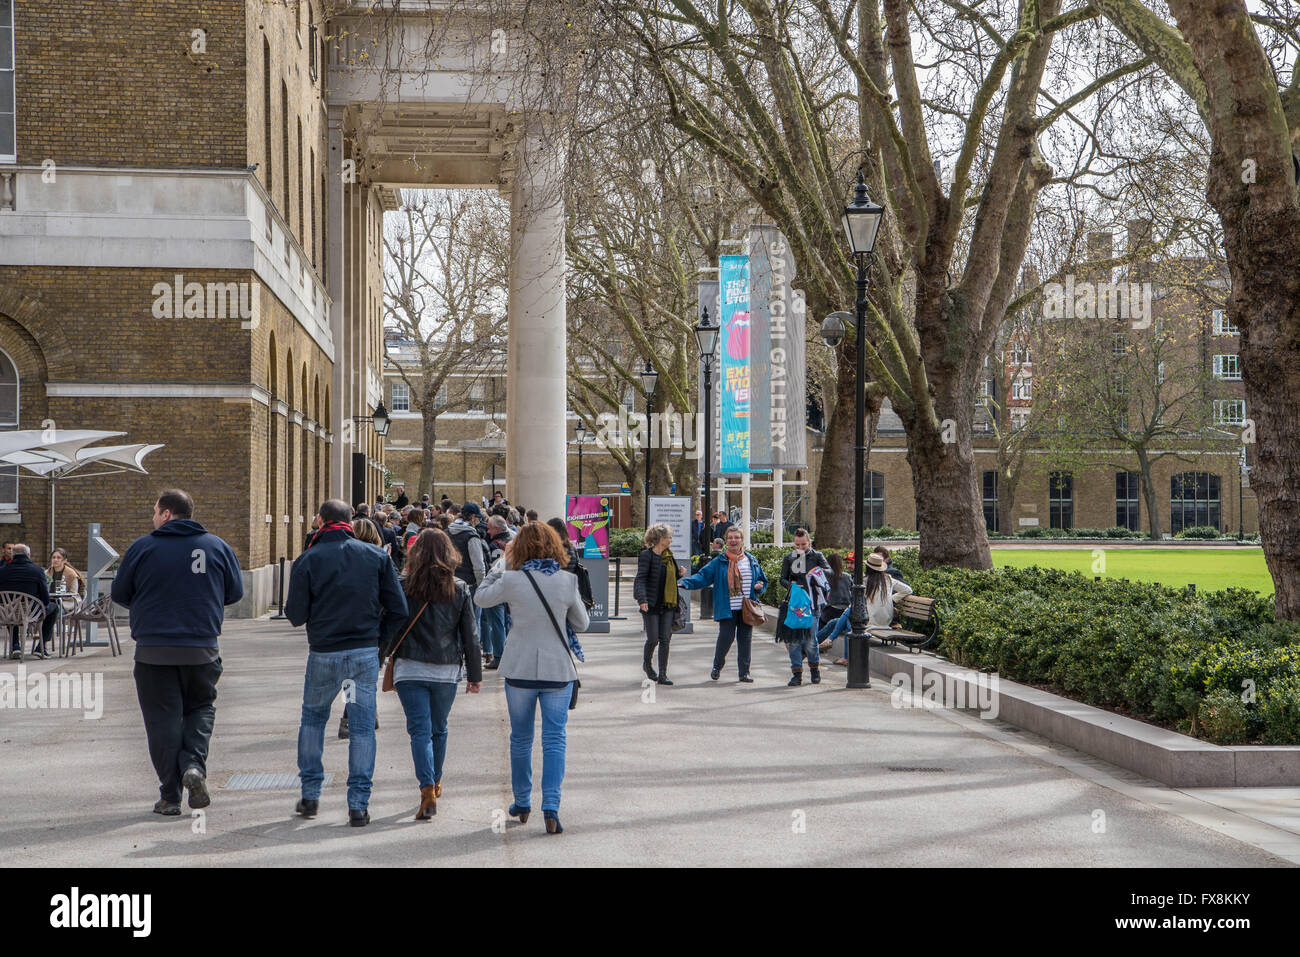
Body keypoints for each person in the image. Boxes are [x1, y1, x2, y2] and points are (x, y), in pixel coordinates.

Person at [110, 490, 244, 815]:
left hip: (153, 651)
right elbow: (235, 593)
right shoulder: (217, 546)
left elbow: (120, 593)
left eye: (155, 512)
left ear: (167, 514)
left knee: (162, 721)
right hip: (202, 649)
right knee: (201, 707)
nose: (153, 518)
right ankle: (193, 767)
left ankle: (170, 796)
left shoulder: (142, 548)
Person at [285, 499, 408, 827]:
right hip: (362, 654)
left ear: (322, 520)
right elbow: (398, 608)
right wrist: (379, 640)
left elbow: (295, 615)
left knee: (313, 719)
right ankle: (358, 805)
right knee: (362, 727)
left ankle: (310, 795)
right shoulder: (374, 557)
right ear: (350, 521)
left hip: (324, 653)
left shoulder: (308, 558)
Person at [474, 522, 589, 835]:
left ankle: (522, 801)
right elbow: (582, 623)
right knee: (555, 739)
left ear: (518, 548)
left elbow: (481, 598)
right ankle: (550, 805)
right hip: (557, 670)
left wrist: (502, 563)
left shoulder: (511, 579)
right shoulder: (566, 581)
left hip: (520, 667)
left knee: (521, 738)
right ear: (554, 546)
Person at [382, 528, 482, 820]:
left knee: (419, 732)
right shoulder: (460, 587)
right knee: (439, 729)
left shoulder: (402, 585)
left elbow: (390, 626)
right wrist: (475, 675)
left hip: (409, 668)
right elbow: (470, 637)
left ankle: (426, 789)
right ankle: (436, 782)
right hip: (446, 669)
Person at [678, 526, 768, 683]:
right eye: (730, 538)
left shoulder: (751, 560)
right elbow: (702, 576)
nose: (733, 540)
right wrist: (685, 583)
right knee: (726, 638)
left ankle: (744, 673)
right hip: (727, 607)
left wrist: (760, 585)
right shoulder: (718, 562)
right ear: (726, 541)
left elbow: (762, 579)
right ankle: (717, 666)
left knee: (745, 640)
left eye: (736, 538)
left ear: (741, 540)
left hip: (747, 607)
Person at [820, 551, 914, 664]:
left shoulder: (865, 581)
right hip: (886, 619)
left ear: (868, 567)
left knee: (848, 622)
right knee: (835, 622)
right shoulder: (888, 579)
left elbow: (857, 604)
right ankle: (815, 645)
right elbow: (908, 590)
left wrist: (891, 599)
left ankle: (829, 642)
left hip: (870, 621)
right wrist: (892, 599)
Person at [776, 528, 831, 687]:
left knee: (810, 640)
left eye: (803, 544)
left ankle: (814, 669)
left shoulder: (817, 556)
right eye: (797, 544)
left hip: (813, 603)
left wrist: (815, 574)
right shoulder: (789, 558)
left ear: (809, 542)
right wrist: (791, 586)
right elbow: (782, 579)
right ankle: (797, 674)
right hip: (795, 603)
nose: (800, 548)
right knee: (793, 640)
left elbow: (829, 571)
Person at [634, 523, 685, 685]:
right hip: (651, 604)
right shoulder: (646, 556)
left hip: (668, 604)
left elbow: (669, 579)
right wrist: (642, 600)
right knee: (653, 639)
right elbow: (640, 579)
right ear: (661, 539)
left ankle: (663, 674)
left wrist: (679, 575)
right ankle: (647, 665)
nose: (671, 540)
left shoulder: (669, 556)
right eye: (669, 537)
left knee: (665, 639)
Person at [1, 543, 60, 660]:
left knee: (11, 607)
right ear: (28, 555)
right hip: (31, 612)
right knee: (54, 607)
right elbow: (45, 598)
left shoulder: (2, 571)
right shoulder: (37, 571)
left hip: (7, 613)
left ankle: (15, 646)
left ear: (12, 556)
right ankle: (41, 647)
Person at [480, 515, 515, 668]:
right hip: (514, 586)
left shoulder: (495, 545)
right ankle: (509, 654)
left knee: (496, 623)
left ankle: (500, 656)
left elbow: (495, 568)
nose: (487, 531)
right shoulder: (515, 539)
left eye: (489, 528)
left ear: (496, 529)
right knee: (507, 622)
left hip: (497, 587)